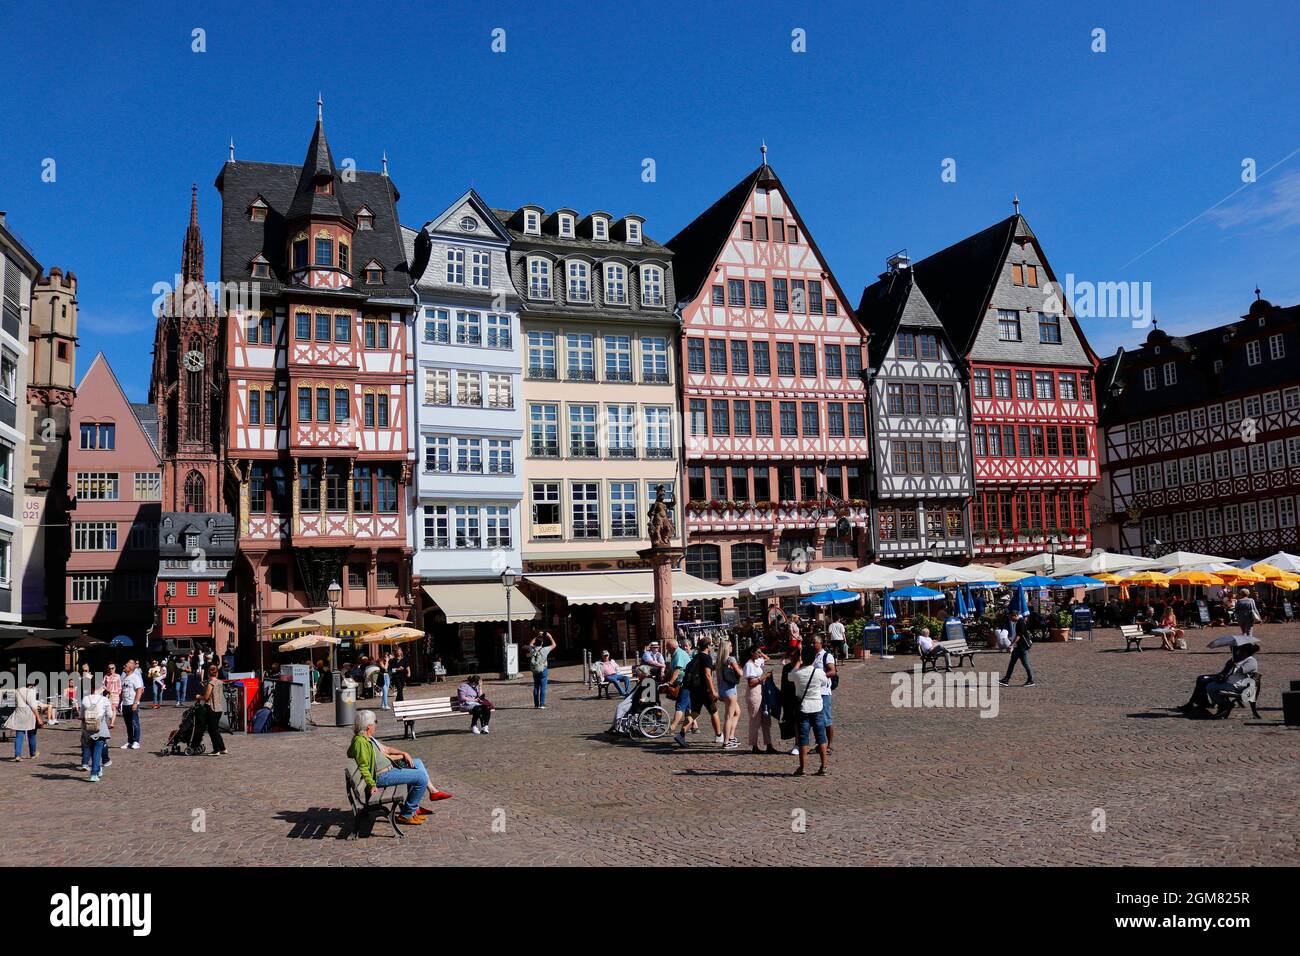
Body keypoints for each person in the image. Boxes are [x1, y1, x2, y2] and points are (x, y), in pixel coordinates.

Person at [348, 710, 451, 827]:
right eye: (375, 722)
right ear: (368, 726)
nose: (376, 724)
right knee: (421, 777)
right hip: (382, 776)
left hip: (388, 768)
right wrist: (371, 784)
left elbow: (384, 752)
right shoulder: (360, 742)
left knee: (416, 763)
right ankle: (407, 813)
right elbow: (363, 766)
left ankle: (419, 803)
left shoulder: (367, 738)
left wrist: (403, 754)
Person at [1179, 642, 1259, 715]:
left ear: (1245, 652)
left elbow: (1241, 671)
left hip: (1238, 686)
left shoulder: (1251, 661)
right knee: (1202, 679)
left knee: (1210, 686)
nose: (1238, 652)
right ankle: (1200, 702)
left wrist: (1235, 665)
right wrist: (1230, 665)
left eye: (1240, 651)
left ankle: (1223, 704)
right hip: (1228, 680)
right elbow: (1225, 671)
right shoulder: (1238, 659)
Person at [674, 635, 722, 748]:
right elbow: (707, 675)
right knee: (714, 711)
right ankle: (719, 735)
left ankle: (681, 734)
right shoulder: (706, 658)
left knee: (695, 712)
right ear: (708, 646)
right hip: (704, 689)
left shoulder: (695, 657)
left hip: (694, 689)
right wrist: (713, 691)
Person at [789, 644, 830, 776]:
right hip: (817, 706)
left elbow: (790, 676)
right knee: (821, 738)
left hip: (803, 708)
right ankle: (823, 766)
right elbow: (825, 683)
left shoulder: (797, 673)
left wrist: (797, 663)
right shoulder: (819, 672)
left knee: (803, 739)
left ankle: (803, 767)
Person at [743, 645, 776, 754]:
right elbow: (751, 683)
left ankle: (769, 743)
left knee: (766, 719)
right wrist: (764, 677)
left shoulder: (755, 662)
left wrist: (761, 653)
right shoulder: (748, 665)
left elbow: (766, 659)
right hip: (754, 693)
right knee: (755, 720)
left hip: (761, 692)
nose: (759, 654)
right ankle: (754, 745)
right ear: (752, 653)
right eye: (757, 652)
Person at [79, 683, 113, 781]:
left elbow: (81, 716)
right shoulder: (104, 700)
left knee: (92, 749)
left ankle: (97, 770)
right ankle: (94, 773)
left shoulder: (85, 699)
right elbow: (110, 715)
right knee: (98, 750)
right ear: (101, 689)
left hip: (87, 728)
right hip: (100, 727)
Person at [811, 633, 838, 753]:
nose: (812, 645)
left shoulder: (827, 656)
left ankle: (830, 745)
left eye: (814, 643)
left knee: (826, 719)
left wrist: (820, 677)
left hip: (824, 692)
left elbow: (832, 671)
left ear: (820, 643)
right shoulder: (812, 656)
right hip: (814, 692)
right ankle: (820, 744)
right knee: (817, 720)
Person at [5, 679, 43, 761]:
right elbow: (33, 706)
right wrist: (39, 718)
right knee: (32, 735)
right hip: (30, 713)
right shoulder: (32, 692)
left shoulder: (17, 690)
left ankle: (18, 755)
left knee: (19, 735)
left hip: (19, 712)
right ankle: (33, 754)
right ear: (32, 685)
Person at [193, 664, 228, 756]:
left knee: (212, 731)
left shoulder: (210, 684)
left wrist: (198, 696)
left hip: (211, 709)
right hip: (219, 709)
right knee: (215, 730)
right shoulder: (220, 682)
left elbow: (206, 697)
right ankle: (223, 748)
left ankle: (216, 750)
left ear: (209, 673)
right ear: (216, 673)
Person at [664, 637, 694, 741]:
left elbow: (677, 670)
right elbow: (671, 669)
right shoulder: (675, 653)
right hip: (686, 683)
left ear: (671, 647)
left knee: (680, 705)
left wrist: (670, 682)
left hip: (684, 683)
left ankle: (672, 727)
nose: (667, 650)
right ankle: (694, 726)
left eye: (667, 648)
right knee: (689, 706)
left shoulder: (679, 654)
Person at [716, 638, 743, 750]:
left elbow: (717, 678)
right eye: (731, 646)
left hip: (723, 690)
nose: (732, 647)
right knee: (729, 717)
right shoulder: (731, 659)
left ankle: (731, 736)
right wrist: (739, 668)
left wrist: (719, 692)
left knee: (737, 712)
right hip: (731, 691)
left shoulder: (719, 660)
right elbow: (740, 673)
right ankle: (726, 742)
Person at [999, 610, 1035, 687]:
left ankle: (1031, 680)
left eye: (1011, 617)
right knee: (1012, 663)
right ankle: (1006, 679)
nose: (1010, 619)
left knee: (1025, 663)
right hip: (1017, 647)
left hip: (1022, 647)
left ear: (1015, 615)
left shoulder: (1020, 622)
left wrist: (1011, 645)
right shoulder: (1016, 622)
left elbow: (1019, 635)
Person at [527, 631, 557, 709]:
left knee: (536, 687)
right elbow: (554, 645)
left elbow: (530, 643)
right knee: (543, 687)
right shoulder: (544, 650)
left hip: (535, 670)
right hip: (543, 669)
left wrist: (537, 636)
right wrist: (550, 636)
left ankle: (536, 704)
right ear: (542, 643)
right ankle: (542, 704)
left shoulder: (532, 649)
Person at [119, 660, 144, 749]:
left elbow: (139, 690)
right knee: (128, 724)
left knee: (135, 723)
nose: (123, 667)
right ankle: (130, 741)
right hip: (125, 704)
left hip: (132, 704)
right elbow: (122, 691)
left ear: (130, 668)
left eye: (125, 666)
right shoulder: (124, 677)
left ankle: (136, 741)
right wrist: (120, 702)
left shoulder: (135, 677)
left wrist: (135, 703)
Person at [103, 662, 121, 730]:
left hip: (115, 694)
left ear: (115, 668)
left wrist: (119, 693)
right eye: (109, 668)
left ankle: (112, 723)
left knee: (113, 708)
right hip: (108, 694)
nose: (111, 669)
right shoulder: (106, 676)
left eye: (112, 668)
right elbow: (103, 684)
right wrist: (107, 689)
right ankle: (111, 721)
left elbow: (120, 685)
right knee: (109, 708)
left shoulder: (118, 676)